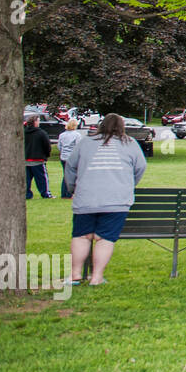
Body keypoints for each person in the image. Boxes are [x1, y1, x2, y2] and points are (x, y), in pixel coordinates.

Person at [64, 115, 147, 286]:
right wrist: (128, 183)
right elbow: (140, 167)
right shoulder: (129, 143)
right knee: (105, 239)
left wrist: (72, 187)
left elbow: (71, 166)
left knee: (81, 236)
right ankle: (97, 277)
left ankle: (75, 274)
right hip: (117, 200)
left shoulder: (86, 142)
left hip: (86, 198)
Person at [24, 114, 55, 199]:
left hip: (26, 159)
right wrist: (46, 155)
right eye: (38, 121)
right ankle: (45, 194)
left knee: (26, 179)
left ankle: (27, 194)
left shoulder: (24, 132)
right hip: (38, 159)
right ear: (35, 122)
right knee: (42, 179)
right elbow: (47, 146)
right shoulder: (41, 133)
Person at [57, 119, 83, 199]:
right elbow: (78, 147)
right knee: (72, 176)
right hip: (71, 158)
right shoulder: (77, 135)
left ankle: (63, 193)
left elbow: (59, 146)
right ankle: (69, 194)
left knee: (65, 175)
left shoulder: (62, 135)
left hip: (63, 157)